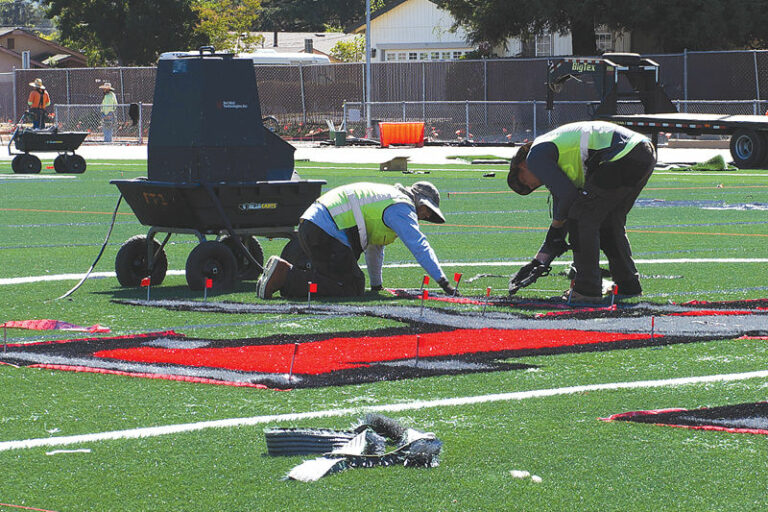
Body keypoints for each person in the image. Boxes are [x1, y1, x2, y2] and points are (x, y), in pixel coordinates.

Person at [506, 120, 656, 303]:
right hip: (642, 152)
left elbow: (568, 204)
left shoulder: (535, 157)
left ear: (522, 165)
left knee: (581, 219)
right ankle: (628, 285)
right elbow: (560, 221)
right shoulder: (556, 161)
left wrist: (557, 226)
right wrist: (538, 262)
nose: (529, 185)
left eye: (523, 180)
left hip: (622, 156)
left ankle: (587, 289)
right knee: (608, 223)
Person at [255, 181, 457, 299]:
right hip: (326, 232)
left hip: (312, 225)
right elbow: (418, 244)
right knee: (351, 286)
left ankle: (285, 270)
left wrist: (377, 285)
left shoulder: (389, 198)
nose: (426, 216)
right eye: (427, 211)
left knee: (338, 275)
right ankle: (285, 277)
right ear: (420, 201)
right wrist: (443, 281)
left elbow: (375, 248)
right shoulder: (402, 206)